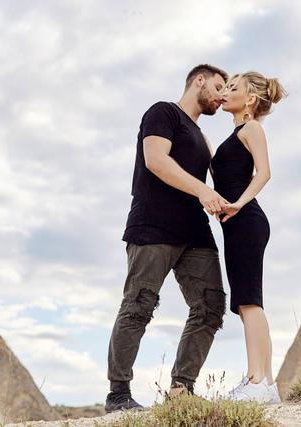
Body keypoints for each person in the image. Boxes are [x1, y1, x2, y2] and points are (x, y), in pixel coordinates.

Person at [105, 64, 231, 412]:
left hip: (195, 232)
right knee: (138, 304)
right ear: (199, 80)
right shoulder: (163, 112)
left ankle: (181, 391)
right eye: (218, 86)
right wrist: (203, 190)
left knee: (210, 306)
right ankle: (118, 394)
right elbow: (156, 161)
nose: (221, 96)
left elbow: (224, 177)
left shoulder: (203, 139)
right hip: (153, 224)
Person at [210, 71, 287, 404]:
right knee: (247, 304)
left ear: (250, 99)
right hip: (237, 224)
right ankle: (266, 384)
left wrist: (239, 203)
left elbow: (264, 172)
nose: (225, 92)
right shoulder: (234, 135)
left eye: (233, 88)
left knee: (249, 302)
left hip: (247, 220)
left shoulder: (252, 128)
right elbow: (222, 174)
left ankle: (256, 382)